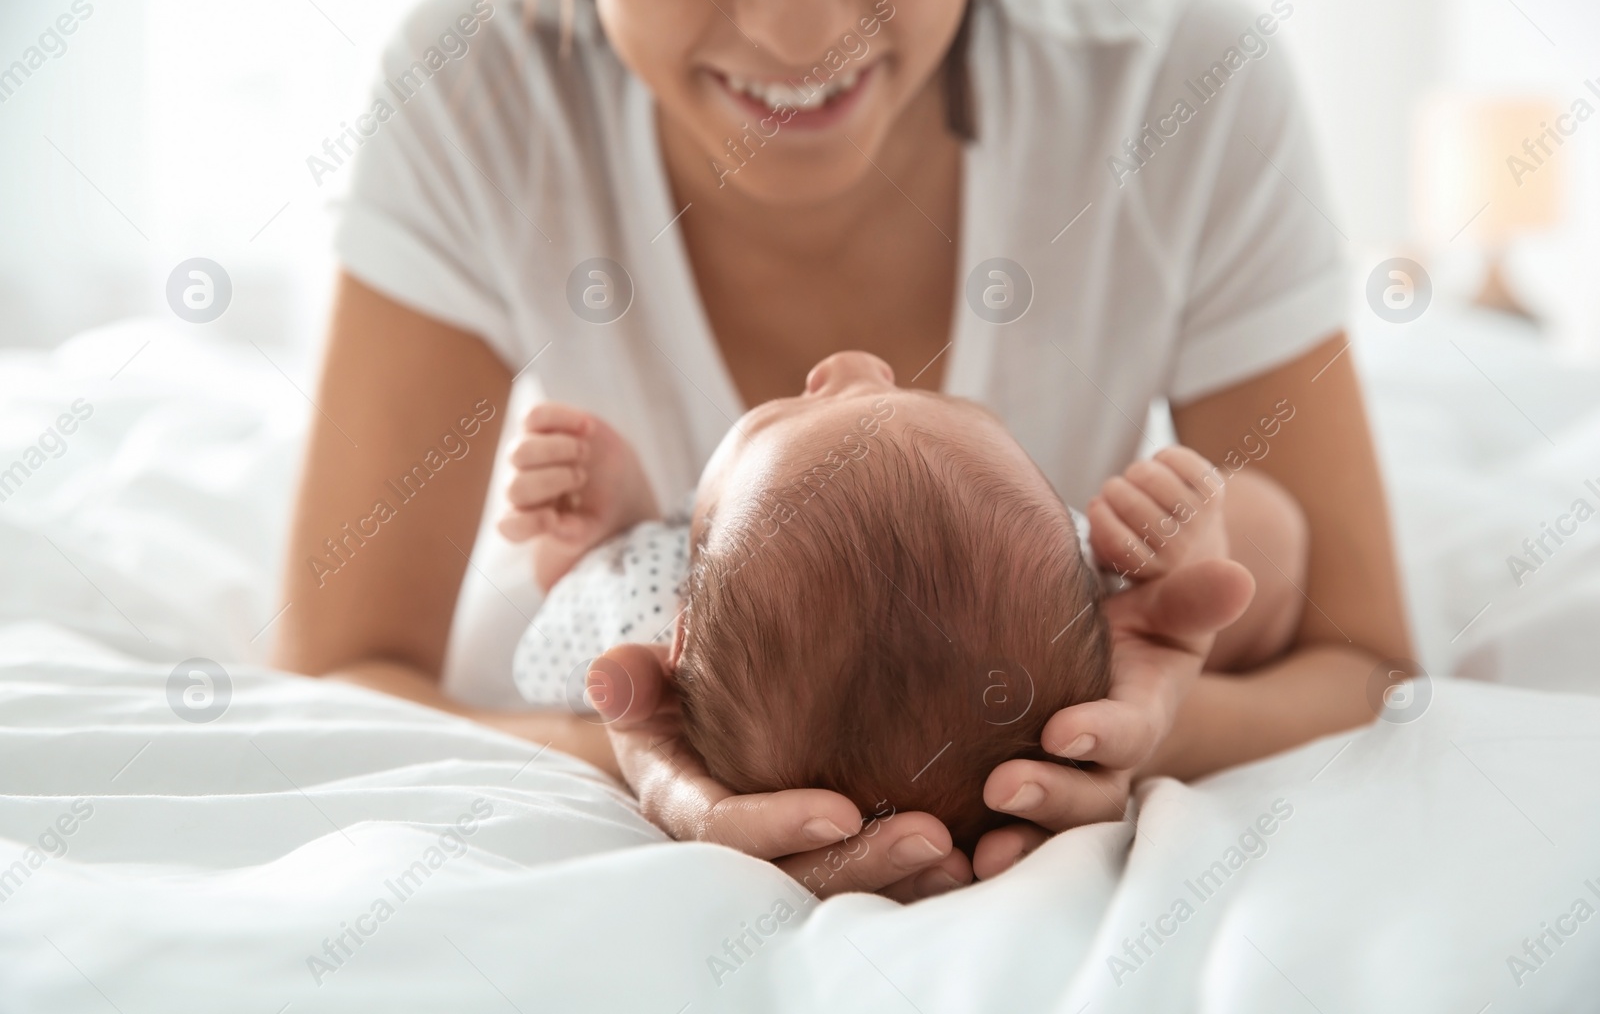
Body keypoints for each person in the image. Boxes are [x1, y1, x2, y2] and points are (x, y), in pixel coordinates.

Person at [275, 0, 1412, 901]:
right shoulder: (474, 85)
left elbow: (1363, 665)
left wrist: (1143, 722)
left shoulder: (1180, 84)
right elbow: (340, 674)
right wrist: (646, 754)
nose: (800, 28)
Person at [502, 350, 1305, 863]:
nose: (852, 362)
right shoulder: (1084, 581)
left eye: (788, 413)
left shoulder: (642, 598)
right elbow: (1276, 548)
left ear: (678, 637)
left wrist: (615, 529)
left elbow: (559, 610)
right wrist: (1191, 549)